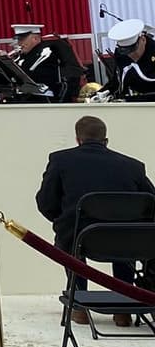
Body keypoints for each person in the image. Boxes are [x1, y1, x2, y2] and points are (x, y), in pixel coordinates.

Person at [35, 116, 155, 324]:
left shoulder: (60, 160)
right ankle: (123, 309)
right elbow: (150, 204)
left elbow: (45, 201)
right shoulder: (133, 166)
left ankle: (80, 306)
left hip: (79, 237)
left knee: (72, 242)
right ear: (106, 141)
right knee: (126, 239)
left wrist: (62, 220)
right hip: (126, 240)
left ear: (78, 139)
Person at [11, 24, 65, 103]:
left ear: (35, 39)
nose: (19, 43)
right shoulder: (24, 55)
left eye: (22, 39)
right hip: (27, 97)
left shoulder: (46, 52)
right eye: (18, 40)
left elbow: (30, 74)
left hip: (42, 99)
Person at [104, 21, 155, 101]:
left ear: (143, 40)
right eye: (125, 51)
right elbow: (117, 82)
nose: (130, 54)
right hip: (132, 101)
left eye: (133, 49)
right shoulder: (121, 55)